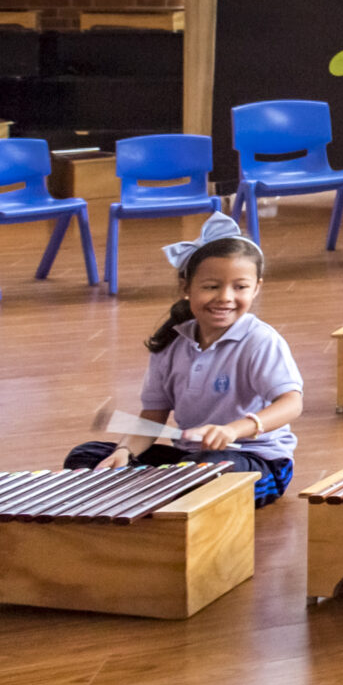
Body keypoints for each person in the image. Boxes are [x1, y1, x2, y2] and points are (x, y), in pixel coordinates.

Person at [62, 214, 301, 507]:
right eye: (211, 286)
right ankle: (159, 493)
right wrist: (126, 451)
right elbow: (153, 416)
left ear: (256, 288)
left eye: (240, 287)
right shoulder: (171, 343)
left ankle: (150, 494)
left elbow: (291, 402)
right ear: (186, 287)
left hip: (256, 461)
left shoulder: (260, 341)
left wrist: (232, 430)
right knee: (86, 456)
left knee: (203, 470)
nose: (225, 297)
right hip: (191, 458)